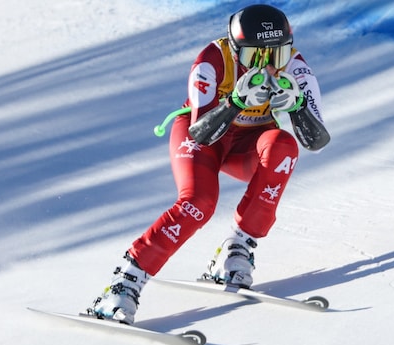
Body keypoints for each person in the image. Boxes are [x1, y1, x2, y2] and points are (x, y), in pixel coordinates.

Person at [88, 4, 330, 324]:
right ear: (234, 49)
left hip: (247, 144)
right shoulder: (211, 61)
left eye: (277, 55)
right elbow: (203, 134)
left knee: (284, 147)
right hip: (204, 135)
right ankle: (124, 281)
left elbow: (316, 141)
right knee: (198, 203)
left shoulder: (296, 68)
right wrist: (236, 103)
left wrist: (298, 106)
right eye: (253, 57)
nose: (267, 65)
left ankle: (237, 248)